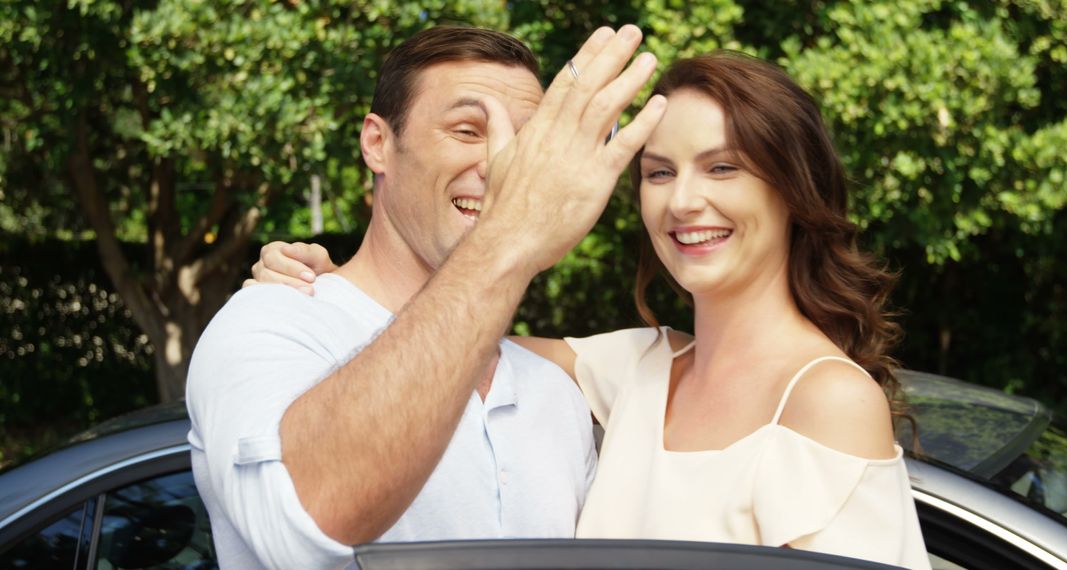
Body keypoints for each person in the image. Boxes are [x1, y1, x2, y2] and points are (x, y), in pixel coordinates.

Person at [254, 51, 931, 569]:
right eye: (660, 173)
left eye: (723, 168)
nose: (684, 201)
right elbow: (441, 336)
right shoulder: (637, 366)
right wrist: (339, 282)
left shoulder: (828, 401)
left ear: (793, 189)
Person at [186, 24, 667, 569]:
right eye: (466, 130)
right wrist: (507, 234)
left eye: (525, 143)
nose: (504, 164)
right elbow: (301, 532)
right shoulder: (271, 323)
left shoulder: (553, 395)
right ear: (377, 144)